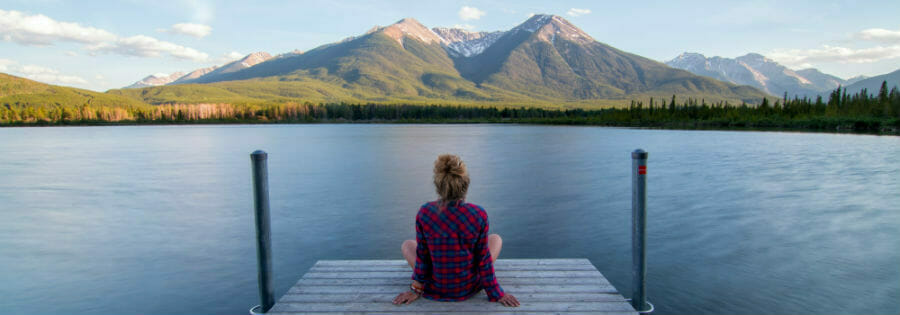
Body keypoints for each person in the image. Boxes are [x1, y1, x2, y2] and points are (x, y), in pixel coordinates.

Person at [393, 154, 520, 307]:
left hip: (435, 286)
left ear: (438, 186)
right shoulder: (478, 214)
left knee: (407, 245)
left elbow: (423, 257)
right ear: (465, 184)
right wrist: (496, 293)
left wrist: (416, 289)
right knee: (496, 239)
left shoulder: (425, 212)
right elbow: (483, 260)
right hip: (467, 287)